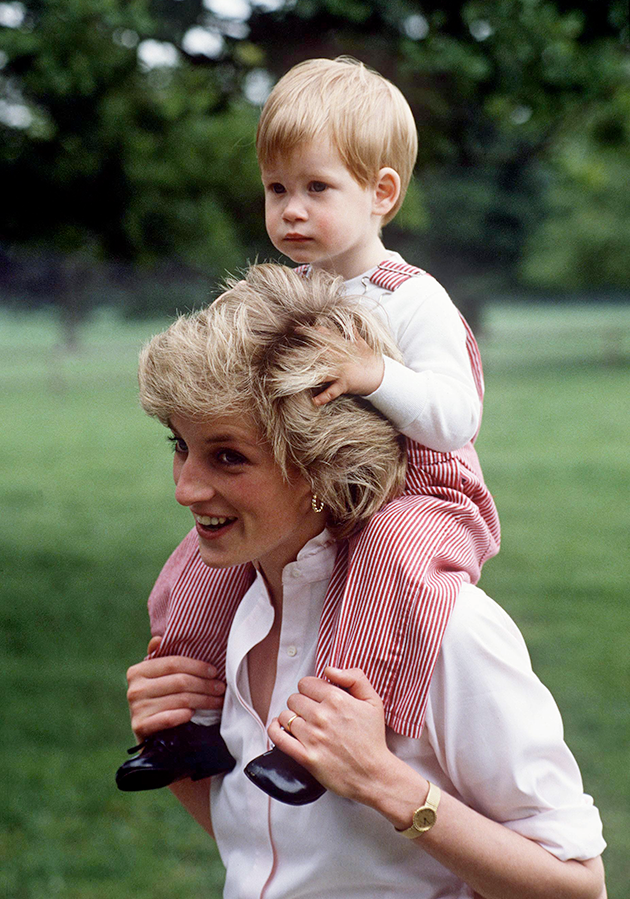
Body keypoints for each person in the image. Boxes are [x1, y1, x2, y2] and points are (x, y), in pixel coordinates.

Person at [123, 263, 606, 899]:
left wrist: (386, 783)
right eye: (178, 445)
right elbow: (274, 855)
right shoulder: (227, 612)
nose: (185, 487)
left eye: (228, 456)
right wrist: (180, 751)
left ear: (326, 462)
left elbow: (577, 886)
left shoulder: (447, 629)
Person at [116, 56, 500, 797]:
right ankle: (183, 722)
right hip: (311, 482)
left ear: (381, 192)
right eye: (276, 189)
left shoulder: (410, 296)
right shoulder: (287, 288)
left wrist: (374, 375)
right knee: (195, 565)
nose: (291, 209)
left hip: (421, 492)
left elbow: (456, 419)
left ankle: (322, 732)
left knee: (389, 557)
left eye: (316, 188)